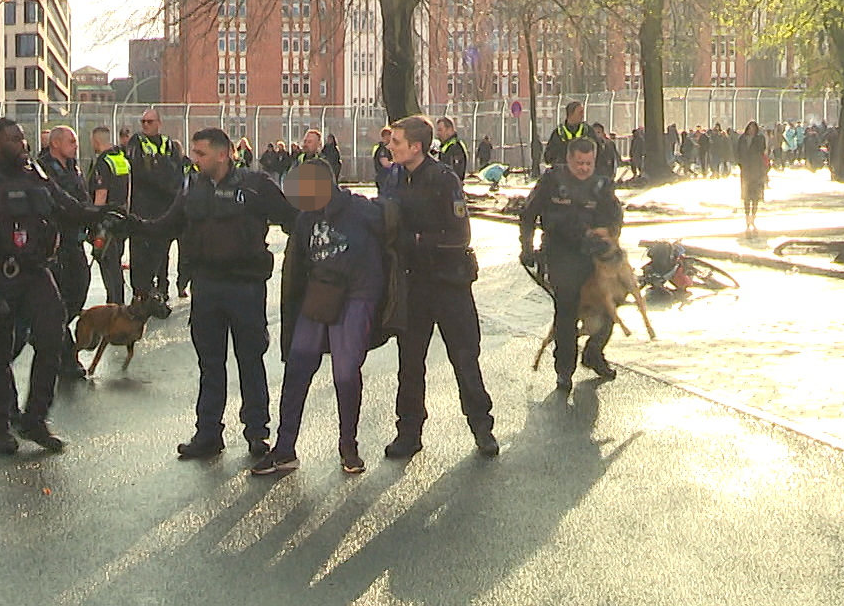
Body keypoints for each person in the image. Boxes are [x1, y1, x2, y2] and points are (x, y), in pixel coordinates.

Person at [128, 127, 297, 461]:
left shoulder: (255, 185)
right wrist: (130, 225)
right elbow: (166, 224)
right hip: (206, 286)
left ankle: (257, 433)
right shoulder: (192, 187)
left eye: (201, 153)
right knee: (210, 363)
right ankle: (207, 433)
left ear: (224, 154)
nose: (195, 158)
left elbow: (293, 219)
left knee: (250, 361)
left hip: (245, 287)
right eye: (194, 152)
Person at [0, 118, 110, 454]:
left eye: (23, 138)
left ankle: (35, 418)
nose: (21, 144)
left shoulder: (36, 174)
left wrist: (104, 213)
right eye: (12, 139)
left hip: (36, 273)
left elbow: (69, 207)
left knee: (52, 340)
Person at [253, 163, 386, 476]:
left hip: (357, 294)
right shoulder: (305, 217)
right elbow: (297, 265)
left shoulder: (362, 210)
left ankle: (348, 446)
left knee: (345, 373)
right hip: (319, 295)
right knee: (297, 368)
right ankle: (284, 448)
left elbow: (392, 237)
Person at [381, 115, 497, 459]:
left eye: (397, 142)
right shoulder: (392, 177)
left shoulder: (443, 179)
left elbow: (460, 235)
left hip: (449, 284)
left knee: (464, 357)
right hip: (413, 285)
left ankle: (482, 427)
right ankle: (409, 432)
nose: (391, 146)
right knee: (410, 362)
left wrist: (414, 240)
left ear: (416, 146)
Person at [521, 137, 622, 392]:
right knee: (566, 312)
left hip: (592, 255)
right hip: (560, 253)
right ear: (568, 159)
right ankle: (564, 370)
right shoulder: (552, 181)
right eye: (579, 163)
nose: (584, 168)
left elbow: (615, 219)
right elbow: (528, 214)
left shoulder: (601, 185)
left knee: (609, 307)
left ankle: (594, 353)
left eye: (588, 163)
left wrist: (607, 237)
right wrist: (527, 248)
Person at [37, 125, 93, 378]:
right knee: (57, 302)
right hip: (55, 243)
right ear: (56, 143)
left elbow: (82, 199)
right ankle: (65, 356)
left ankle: (51, 335)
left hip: (75, 240)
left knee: (79, 291)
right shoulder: (43, 169)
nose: (75, 144)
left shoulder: (73, 167)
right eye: (71, 140)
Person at [127, 109, 186, 308]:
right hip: (143, 207)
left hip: (165, 207)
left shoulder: (170, 145)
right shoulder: (137, 143)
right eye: (143, 121)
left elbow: (177, 172)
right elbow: (140, 172)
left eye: (149, 121)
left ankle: (162, 288)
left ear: (159, 123)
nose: (145, 125)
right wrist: (162, 175)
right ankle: (141, 292)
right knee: (141, 252)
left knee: (162, 251)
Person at [87, 125, 131, 305]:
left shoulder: (102, 162)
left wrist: (93, 221)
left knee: (108, 265)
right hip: (121, 219)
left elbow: (101, 195)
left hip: (105, 223)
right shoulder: (121, 159)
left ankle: (113, 306)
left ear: (96, 141)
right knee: (116, 265)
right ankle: (117, 303)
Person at [736, 121, 769, 237]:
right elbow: (738, 153)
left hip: (756, 171)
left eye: (753, 128)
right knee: (746, 197)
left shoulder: (759, 139)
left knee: (755, 197)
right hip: (746, 171)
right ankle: (747, 218)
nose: (751, 130)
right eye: (750, 128)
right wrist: (740, 164)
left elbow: (762, 152)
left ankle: (753, 218)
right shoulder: (742, 139)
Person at [544, 101, 589, 168]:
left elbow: (598, 153)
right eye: (580, 112)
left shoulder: (587, 131)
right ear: (571, 114)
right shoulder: (558, 133)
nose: (583, 115)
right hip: (564, 173)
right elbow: (549, 156)